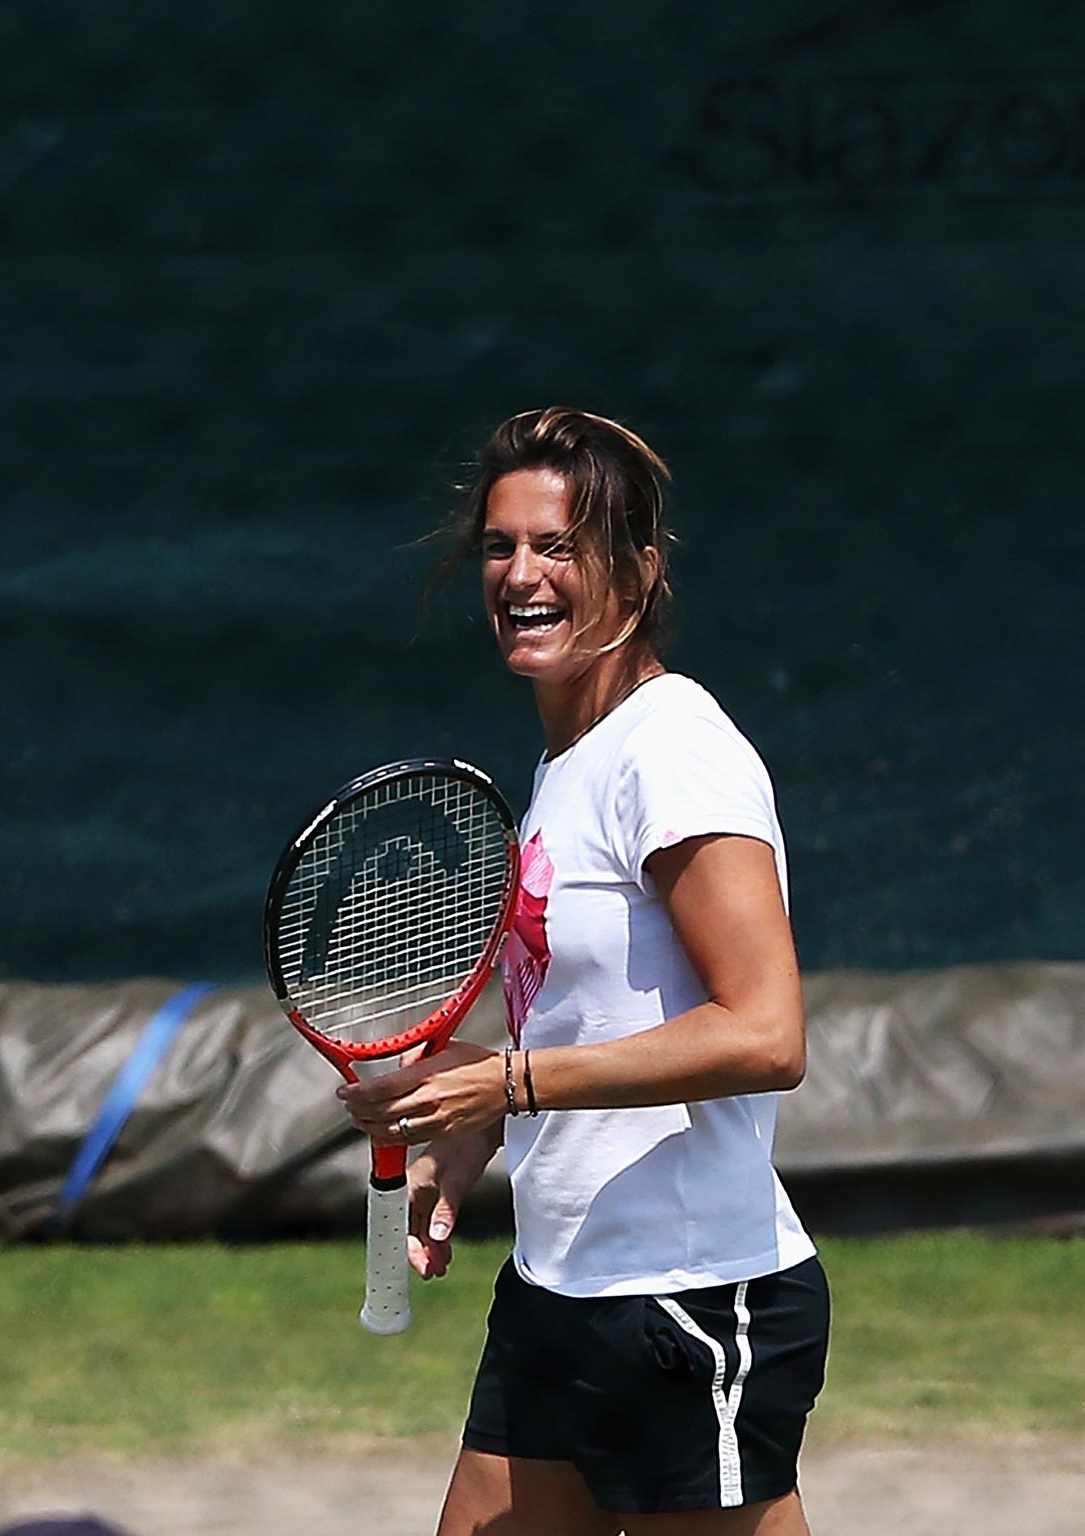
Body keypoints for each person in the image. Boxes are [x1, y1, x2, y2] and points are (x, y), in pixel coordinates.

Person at [338, 408, 829, 1535]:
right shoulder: (569, 758)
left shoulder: (670, 748)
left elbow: (765, 1035)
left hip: (686, 1297)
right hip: (559, 1286)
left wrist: (505, 1085)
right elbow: (576, 1014)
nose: (521, 574)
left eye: (558, 547)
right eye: (501, 547)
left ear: (638, 570)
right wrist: (468, 1136)